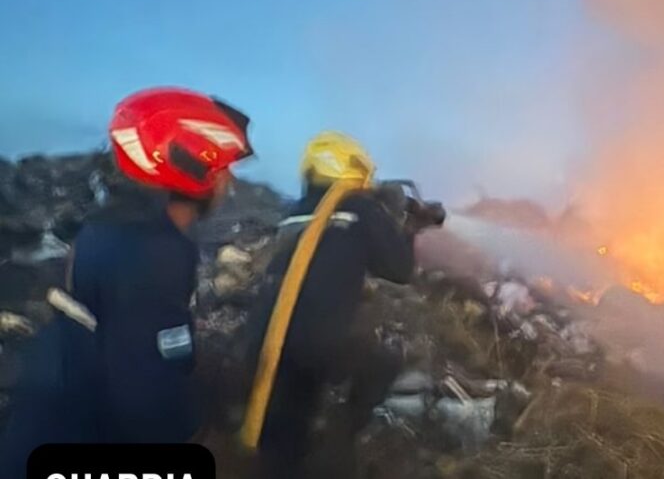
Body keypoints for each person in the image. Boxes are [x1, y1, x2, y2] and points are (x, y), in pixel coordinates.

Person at [0, 87, 255, 477]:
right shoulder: (154, 255)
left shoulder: (112, 229)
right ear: (188, 162)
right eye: (222, 167)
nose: (228, 181)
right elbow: (144, 397)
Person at [244, 131, 416, 479]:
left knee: (286, 426)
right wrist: (410, 227)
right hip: (319, 342)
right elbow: (399, 270)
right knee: (384, 360)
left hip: (267, 339)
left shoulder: (295, 212)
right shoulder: (358, 208)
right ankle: (341, 433)